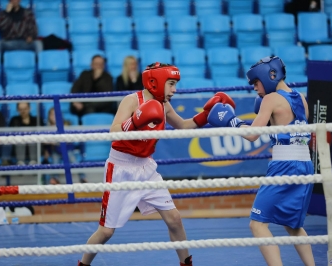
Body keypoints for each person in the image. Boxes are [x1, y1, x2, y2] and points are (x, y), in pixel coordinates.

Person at [78, 62, 236, 266]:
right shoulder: (132, 100)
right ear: (156, 82)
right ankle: (83, 264)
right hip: (121, 168)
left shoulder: (163, 104)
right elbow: (113, 131)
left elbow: (184, 126)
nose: (174, 90)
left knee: (174, 219)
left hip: (146, 168)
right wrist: (134, 120)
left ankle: (186, 263)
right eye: (171, 84)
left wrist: (206, 115)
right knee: (106, 231)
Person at [206, 56, 315, 266]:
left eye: (256, 83)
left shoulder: (271, 100)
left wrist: (232, 121)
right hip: (305, 165)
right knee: (293, 225)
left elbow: (252, 135)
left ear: (270, 75)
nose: (255, 88)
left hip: (284, 167)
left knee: (257, 225)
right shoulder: (301, 98)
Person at [43, 107, 86, 184]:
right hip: (55, 150)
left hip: (67, 149)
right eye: (52, 114)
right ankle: (55, 179)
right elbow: (46, 142)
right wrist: (48, 148)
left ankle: (82, 177)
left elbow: (69, 139)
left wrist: (55, 141)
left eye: (56, 114)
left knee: (74, 160)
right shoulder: (48, 128)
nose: (54, 116)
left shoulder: (66, 124)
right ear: (49, 116)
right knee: (55, 161)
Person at [70, 55, 115, 121]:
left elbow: (106, 96)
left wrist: (97, 79)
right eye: (96, 64)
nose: (98, 66)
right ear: (91, 65)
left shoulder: (108, 77)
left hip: (101, 105)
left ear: (104, 66)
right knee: (76, 108)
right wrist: (75, 101)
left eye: (101, 64)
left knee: (90, 109)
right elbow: (75, 88)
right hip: (84, 104)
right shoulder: (85, 74)